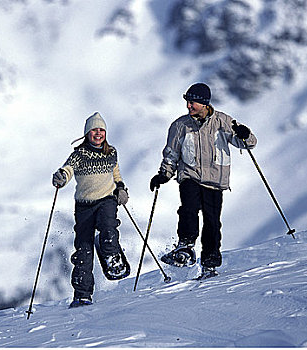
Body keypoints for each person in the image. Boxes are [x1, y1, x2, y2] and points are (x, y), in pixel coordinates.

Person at [150, 83, 257, 279]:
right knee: (189, 209)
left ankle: (210, 263)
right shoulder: (180, 126)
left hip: (215, 180)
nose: (188, 106)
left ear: (204, 103)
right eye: (188, 103)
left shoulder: (223, 122)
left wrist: (245, 134)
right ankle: (185, 247)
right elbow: (171, 154)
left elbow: (248, 143)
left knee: (212, 222)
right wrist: (164, 174)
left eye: (192, 103)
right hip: (190, 176)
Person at [52, 112, 130, 308]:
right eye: (94, 130)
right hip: (84, 205)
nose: (98, 133)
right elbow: (68, 169)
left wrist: (121, 188)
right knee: (83, 249)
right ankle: (82, 294)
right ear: (87, 133)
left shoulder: (111, 152)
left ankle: (113, 258)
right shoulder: (79, 155)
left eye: (101, 130)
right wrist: (61, 176)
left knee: (108, 226)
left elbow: (116, 173)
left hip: (107, 199)